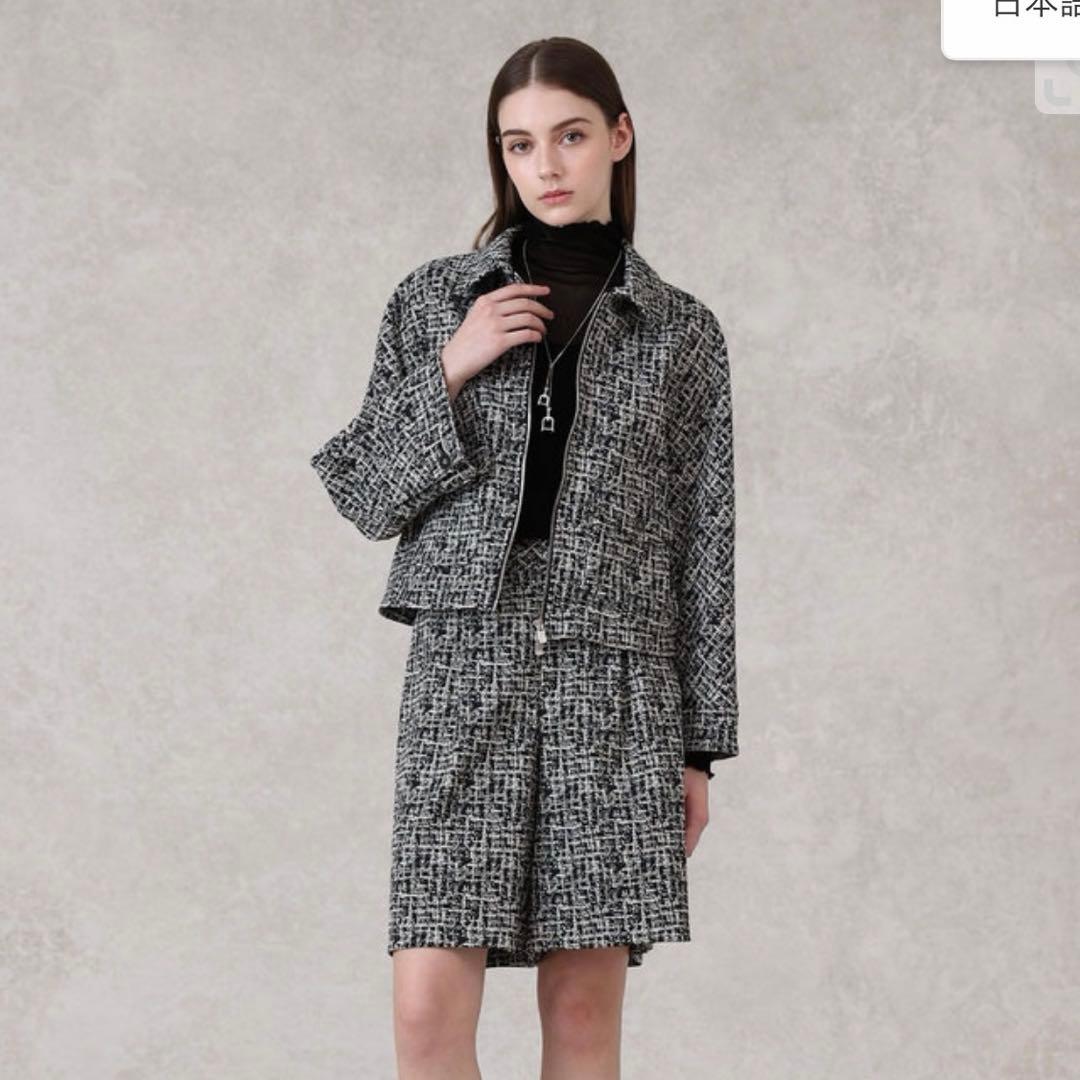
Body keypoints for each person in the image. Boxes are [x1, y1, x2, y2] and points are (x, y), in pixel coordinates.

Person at [310, 36, 738, 1080]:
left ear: (619, 138)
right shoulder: (433, 302)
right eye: (519, 144)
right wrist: (455, 365)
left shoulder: (681, 333)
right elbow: (364, 492)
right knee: (427, 1009)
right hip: (467, 662)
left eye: (570, 136)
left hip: (616, 680)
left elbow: (705, 548)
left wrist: (700, 749)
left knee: (584, 1019)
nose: (545, 165)